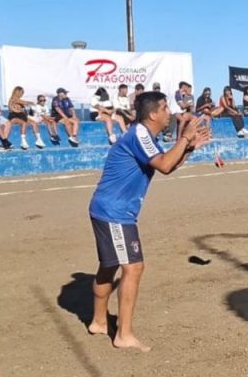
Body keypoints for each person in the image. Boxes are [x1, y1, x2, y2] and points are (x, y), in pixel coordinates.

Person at [87, 91, 211, 352]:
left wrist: (187, 148)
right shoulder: (140, 133)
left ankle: (99, 322)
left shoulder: (144, 136)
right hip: (115, 212)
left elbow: (167, 165)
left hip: (106, 209)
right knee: (133, 267)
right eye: (165, 108)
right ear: (153, 113)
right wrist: (185, 137)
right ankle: (124, 334)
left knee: (108, 265)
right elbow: (165, 165)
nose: (169, 112)